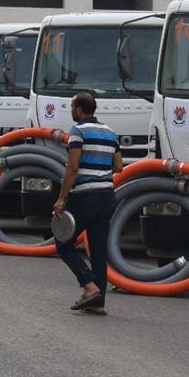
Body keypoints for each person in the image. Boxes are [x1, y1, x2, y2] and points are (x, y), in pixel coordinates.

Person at [50, 92, 122, 316]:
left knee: (63, 244)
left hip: (85, 195)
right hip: (107, 195)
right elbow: (118, 166)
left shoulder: (78, 131)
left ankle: (89, 286)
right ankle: (98, 303)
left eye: (72, 107)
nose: (71, 111)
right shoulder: (111, 133)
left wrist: (62, 198)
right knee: (99, 251)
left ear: (80, 110)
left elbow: (72, 167)